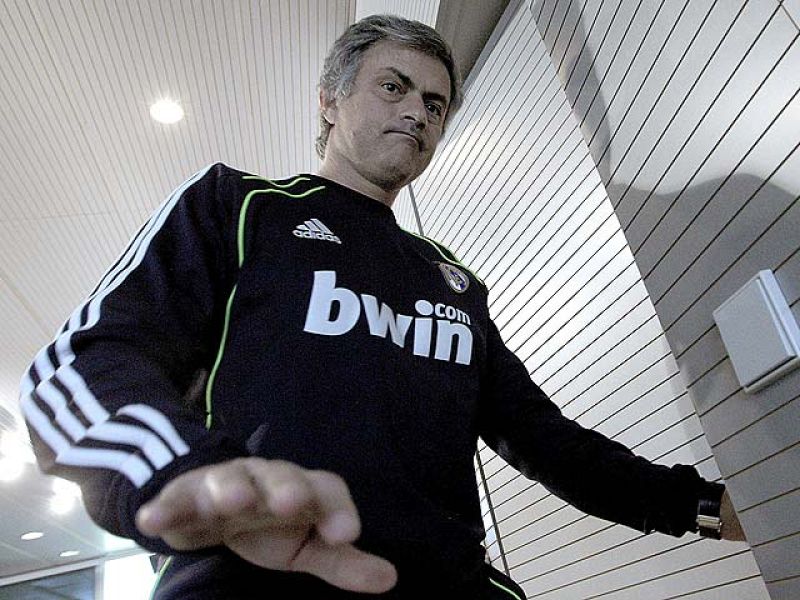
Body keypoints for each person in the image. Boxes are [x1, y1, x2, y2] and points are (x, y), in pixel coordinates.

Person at [19, 14, 744, 600]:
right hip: (250, 578)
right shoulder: (238, 207)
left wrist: (706, 506)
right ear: (330, 102)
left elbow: (549, 441)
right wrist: (185, 471)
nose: (416, 112)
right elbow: (82, 363)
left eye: (434, 104)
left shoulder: (452, 282)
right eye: (393, 87)